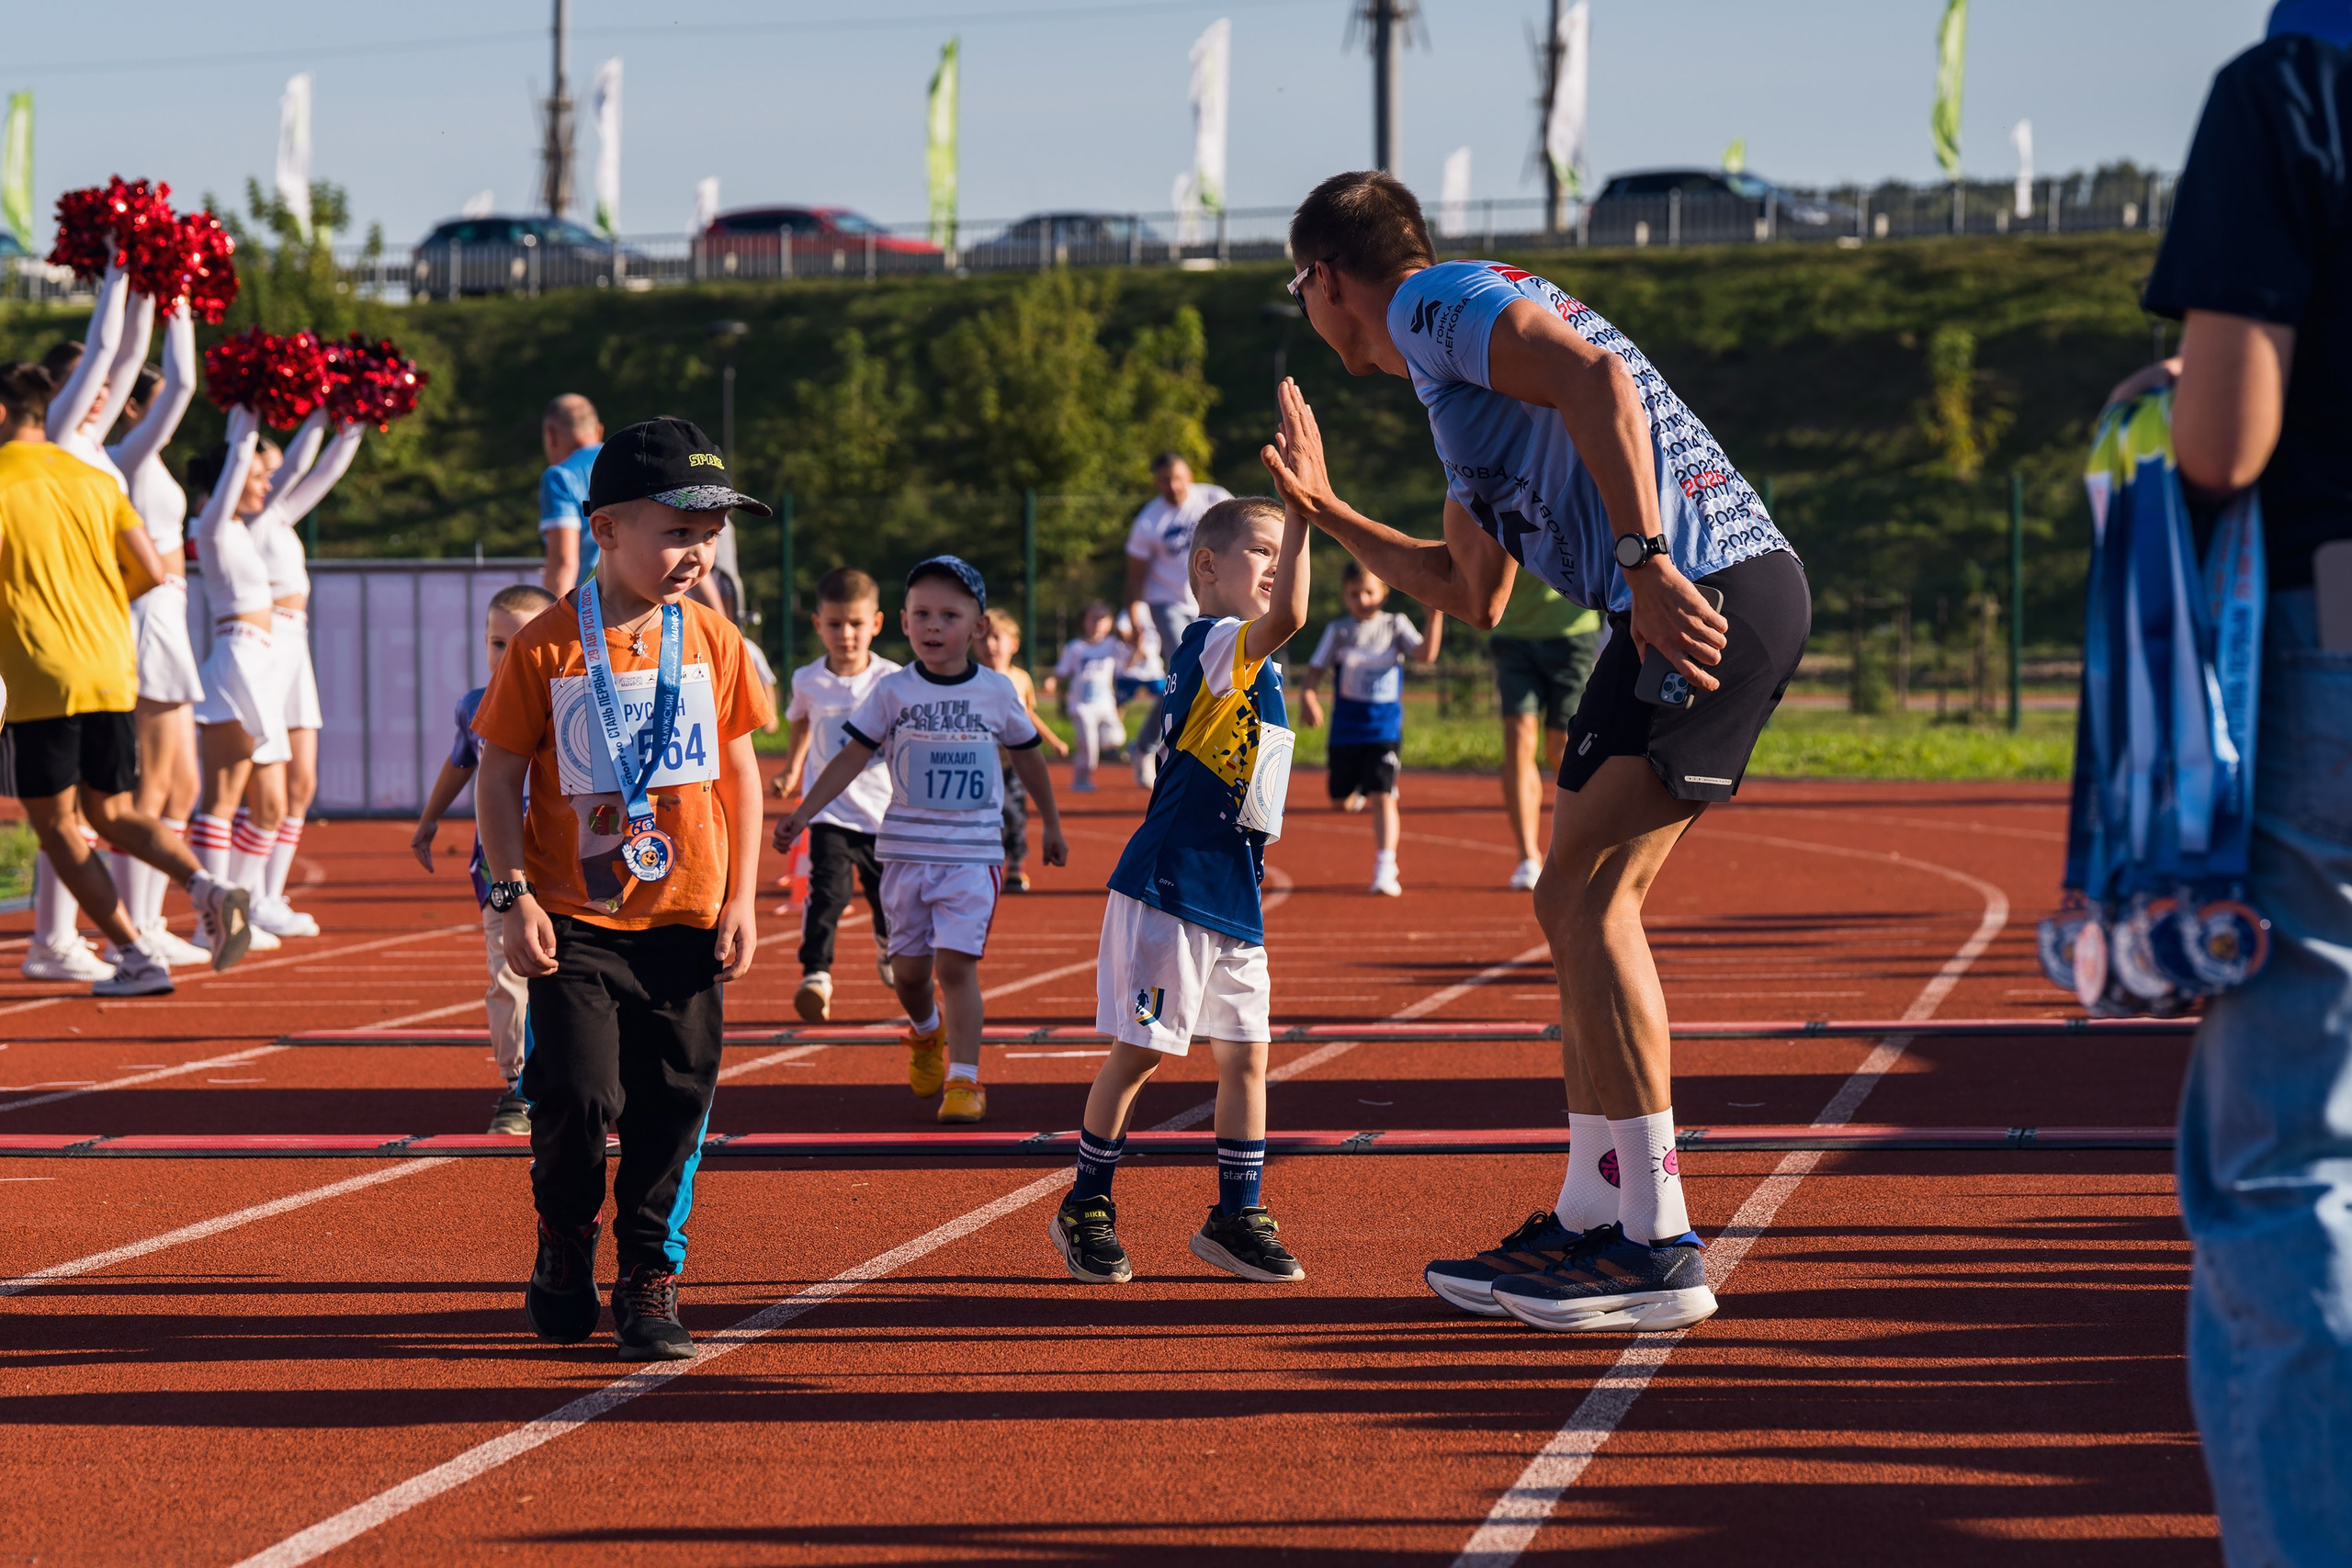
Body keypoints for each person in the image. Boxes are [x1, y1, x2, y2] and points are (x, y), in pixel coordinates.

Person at [1266, 172, 1807, 1332]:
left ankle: (1657, 1241)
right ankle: (1594, 1214)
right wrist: (1324, 510)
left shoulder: (1433, 303)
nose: (1303, 311)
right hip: (1675, 595)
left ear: (1326, 279)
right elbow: (1470, 590)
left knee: (1586, 898)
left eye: (1296, 290)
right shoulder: (1452, 386)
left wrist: (1645, 560)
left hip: (1696, 586)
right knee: (1573, 902)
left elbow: (1597, 378)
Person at [2117, 7, 2352, 1558]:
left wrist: (2169, 394)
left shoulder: (2292, 82)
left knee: (2288, 1164)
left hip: (2334, 632)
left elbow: (2224, 437)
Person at [472, 416, 771, 1362]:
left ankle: (649, 1275)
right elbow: (497, 775)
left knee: (674, 1103)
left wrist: (742, 897)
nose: (696, 553)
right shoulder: (546, 646)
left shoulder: (714, 639)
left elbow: (740, 773)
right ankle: (565, 1235)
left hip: (687, 917)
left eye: (709, 534)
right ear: (604, 530)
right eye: (677, 531)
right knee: (576, 1093)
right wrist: (513, 894)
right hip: (576, 919)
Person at [1048, 494, 1310, 1286]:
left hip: (1232, 893)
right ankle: (1085, 1204)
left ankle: (1236, 1214)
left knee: (1248, 1059)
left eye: (1285, 552)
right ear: (1206, 566)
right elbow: (1293, 615)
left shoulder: (1255, 663)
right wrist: (1307, 512)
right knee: (1140, 1054)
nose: (1278, 567)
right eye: (1263, 551)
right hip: (1172, 887)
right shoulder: (1218, 640)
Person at [772, 557, 1069, 1125]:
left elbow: (1029, 756)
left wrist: (1050, 823)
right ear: (904, 623)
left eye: (949, 616)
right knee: (909, 975)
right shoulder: (893, 692)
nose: (934, 626)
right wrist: (805, 813)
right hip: (905, 855)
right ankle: (926, 1031)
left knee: (956, 967)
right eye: (922, 614)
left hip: (972, 856)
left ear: (978, 626)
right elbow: (849, 758)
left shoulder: (996, 691)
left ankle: (965, 1080)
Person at [0, 361, 252, 995]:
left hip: (42, 673)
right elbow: (149, 570)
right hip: (111, 665)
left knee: (58, 825)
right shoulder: (94, 479)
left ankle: (136, 955)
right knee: (112, 810)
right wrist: (93, 608)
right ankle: (206, 884)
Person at [20, 267, 153, 979]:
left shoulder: (91, 446)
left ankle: (76, 933)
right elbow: (109, 350)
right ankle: (56, 937)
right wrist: (117, 267)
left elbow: (129, 360)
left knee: (89, 805)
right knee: (62, 808)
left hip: (98, 632)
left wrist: (160, 291)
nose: (104, 391)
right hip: (50, 633)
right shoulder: (57, 436)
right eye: (87, 384)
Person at [412, 582, 560, 1134]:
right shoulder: (475, 706)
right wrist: (429, 819)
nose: (508, 654)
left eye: (523, 642)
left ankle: (585, 1080)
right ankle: (519, 1087)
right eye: (498, 643)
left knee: (575, 971)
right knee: (509, 971)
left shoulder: (578, 697)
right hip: (501, 868)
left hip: (568, 862)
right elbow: (461, 764)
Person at [109, 302, 206, 966]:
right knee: (149, 783)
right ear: (133, 407)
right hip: (146, 614)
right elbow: (184, 385)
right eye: (156, 400)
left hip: (169, 615)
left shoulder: (150, 464)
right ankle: (134, 926)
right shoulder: (130, 457)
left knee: (181, 785)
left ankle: (152, 917)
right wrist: (177, 304)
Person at [244, 409, 364, 940]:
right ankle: (248, 893)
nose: (275, 480)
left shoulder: (278, 519)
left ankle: (269, 896)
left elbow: (327, 471)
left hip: (296, 648)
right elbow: (300, 466)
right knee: (264, 784)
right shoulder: (248, 519)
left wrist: (358, 419)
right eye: (264, 472)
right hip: (267, 646)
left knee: (302, 781)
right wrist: (318, 405)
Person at [767, 568, 899, 1023]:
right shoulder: (807, 679)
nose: (846, 634)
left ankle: (889, 948)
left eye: (856, 624)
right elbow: (802, 721)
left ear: (876, 623)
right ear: (818, 624)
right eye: (835, 624)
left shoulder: (892, 680)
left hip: (883, 814)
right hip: (829, 812)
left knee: (889, 900)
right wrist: (792, 768)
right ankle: (816, 975)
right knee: (826, 893)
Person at [1297, 561, 1443, 897]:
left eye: (1368, 592)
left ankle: (1386, 866)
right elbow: (1314, 672)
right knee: (1340, 801)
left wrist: (1434, 616)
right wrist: (1308, 697)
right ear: (1344, 596)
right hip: (1346, 731)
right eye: (1354, 594)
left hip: (1384, 730)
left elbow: (1425, 655)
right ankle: (1360, 792)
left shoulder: (1395, 625)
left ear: (1384, 593)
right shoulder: (1339, 631)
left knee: (1384, 796)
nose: (1362, 600)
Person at [1490, 571, 1604, 891]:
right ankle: (1527, 856)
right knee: (1518, 737)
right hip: (1513, 635)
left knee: (1562, 746)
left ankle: (1583, 852)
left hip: (1572, 635)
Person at [975, 606, 1068, 892]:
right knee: (984, 818)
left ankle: (1015, 866)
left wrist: (1054, 740)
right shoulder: (972, 678)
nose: (989, 645)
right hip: (981, 765)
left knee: (1015, 816)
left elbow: (1028, 715)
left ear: (1013, 644)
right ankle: (983, 865)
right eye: (983, 638)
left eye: (997, 637)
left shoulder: (1021, 679)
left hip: (1014, 765)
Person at [1123, 452, 1232, 660]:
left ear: (1189, 475)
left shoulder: (1214, 498)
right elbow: (1135, 576)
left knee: (1219, 657)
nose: (1173, 486)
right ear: (1157, 482)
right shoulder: (1148, 520)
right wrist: (1134, 618)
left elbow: (1242, 534)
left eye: (1177, 478)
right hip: (1167, 600)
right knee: (1186, 658)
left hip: (1211, 594)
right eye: (1165, 481)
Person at [1046, 602, 1129, 794]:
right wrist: (1052, 681)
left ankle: (1108, 746)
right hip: (1082, 705)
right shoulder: (1075, 647)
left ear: (1110, 622)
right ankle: (1081, 778)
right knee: (1088, 747)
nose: (1098, 623)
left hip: (1106, 704)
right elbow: (1061, 671)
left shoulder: (1113, 645)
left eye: (1102, 619)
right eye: (1093, 618)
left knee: (1116, 738)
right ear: (1083, 621)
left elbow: (1128, 663)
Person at [536, 393, 605, 598]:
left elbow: (564, 562)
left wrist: (551, 614)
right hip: (640, 601)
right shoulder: (630, 464)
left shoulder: (559, 476)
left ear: (550, 435)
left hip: (590, 603)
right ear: (599, 430)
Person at [1112, 606, 1166, 790]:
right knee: (1120, 704)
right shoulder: (1131, 610)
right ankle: (1114, 740)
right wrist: (1137, 646)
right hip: (1129, 670)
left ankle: (1155, 745)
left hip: (1152, 669)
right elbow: (1123, 632)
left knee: (1169, 700)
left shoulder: (1160, 608)